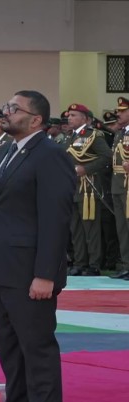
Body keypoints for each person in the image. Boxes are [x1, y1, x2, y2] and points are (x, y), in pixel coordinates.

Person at [0, 90, 74, 402]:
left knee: (37, 355)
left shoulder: (50, 155)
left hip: (30, 274)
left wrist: (45, 274)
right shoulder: (2, 153)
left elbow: (55, 220)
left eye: (14, 109)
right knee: (11, 357)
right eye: (7, 106)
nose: (7, 112)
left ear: (36, 120)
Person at [64, 103, 111, 276]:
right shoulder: (70, 137)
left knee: (90, 227)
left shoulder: (93, 135)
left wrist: (87, 169)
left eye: (74, 115)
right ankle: (80, 262)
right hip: (73, 186)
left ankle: (94, 264)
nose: (69, 118)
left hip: (88, 186)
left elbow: (107, 156)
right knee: (76, 228)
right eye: (69, 115)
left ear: (85, 118)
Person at [112, 97, 129, 280]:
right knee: (122, 228)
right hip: (118, 185)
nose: (119, 114)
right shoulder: (120, 133)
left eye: (123, 111)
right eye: (118, 111)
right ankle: (126, 264)